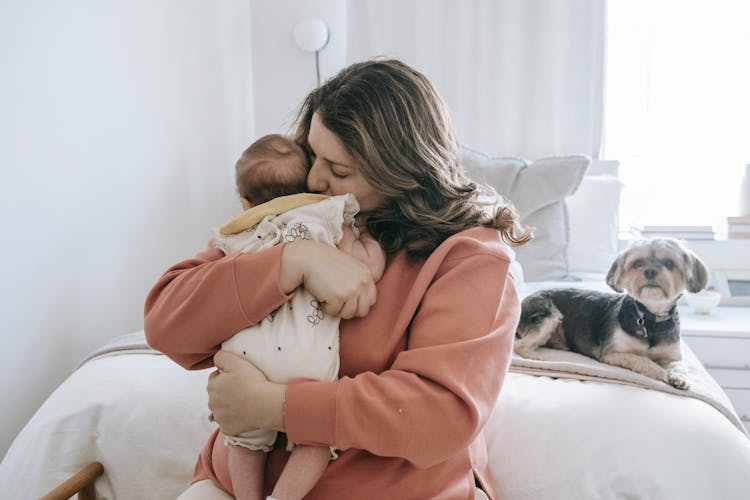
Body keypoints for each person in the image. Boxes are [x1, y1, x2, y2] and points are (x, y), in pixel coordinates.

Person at [145, 58, 531, 500]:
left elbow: (440, 414)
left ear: (401, 172)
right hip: (237, 484)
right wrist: (291, 262)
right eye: (313, 155)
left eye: (339, 170)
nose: (313, 178)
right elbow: (165, 323)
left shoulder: (470, 258)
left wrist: (273, 406)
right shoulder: (294, 212)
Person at [193, 133, 386, 500]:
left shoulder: (237, 231)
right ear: (307, 183)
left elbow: (212, 280)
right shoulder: (327, 217)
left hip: (247, 352)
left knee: (244, 440)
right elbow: (362, 270)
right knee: (315, 438)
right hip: (305, 352)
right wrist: (372, 249)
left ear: (245, 200)